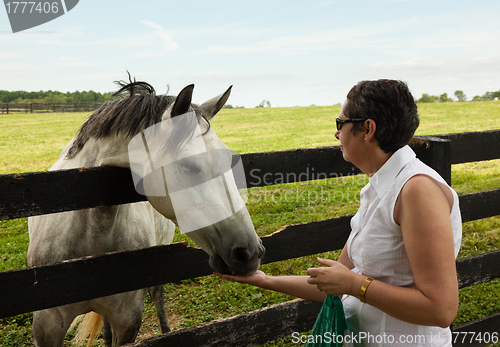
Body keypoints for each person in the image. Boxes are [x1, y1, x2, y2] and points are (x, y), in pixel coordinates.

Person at [215, 79, 462, 346]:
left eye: (340, 123)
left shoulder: (417, 190)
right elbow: (336, 281)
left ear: (367, 129)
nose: (336, 134)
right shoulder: (379, 187)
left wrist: (356, 286)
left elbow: (441, 309)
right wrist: (264, 280)